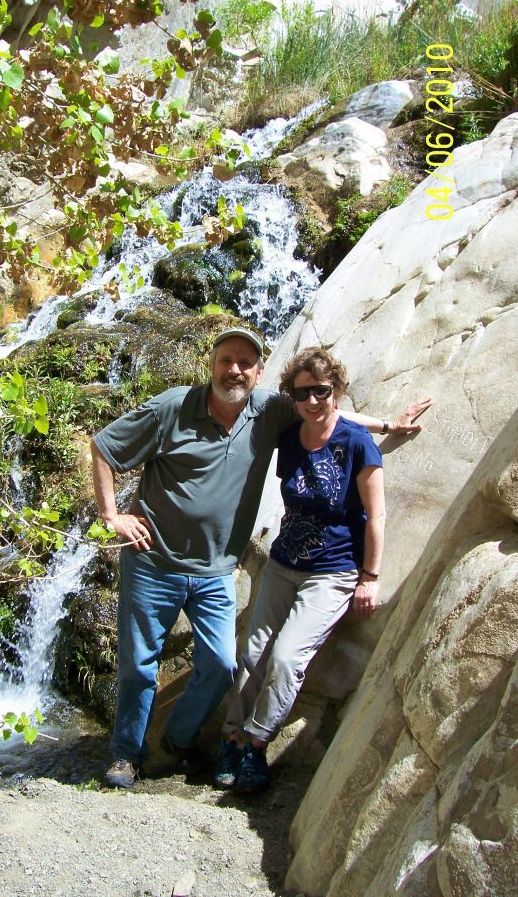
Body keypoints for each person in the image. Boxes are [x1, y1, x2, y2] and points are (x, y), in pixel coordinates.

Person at [90, 328, 430, 788]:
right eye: (227, 360)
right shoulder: (173, 406)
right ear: (212, 363)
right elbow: (105, 446)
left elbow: (325, 414)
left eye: (245, 363)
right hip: (155, 563)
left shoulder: (268, 410)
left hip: (216, 570)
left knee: (221, 666)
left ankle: (176, 742)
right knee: (138, 665)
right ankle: (126, 755)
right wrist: (111, 515)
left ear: (259, 372)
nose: (235, 369)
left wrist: (389, 425)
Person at [214, 346, 386, 793]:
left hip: (332, 572)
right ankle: (231, 737)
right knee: (251, 654)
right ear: (292, 395)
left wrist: (370, 576)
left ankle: (256, 744)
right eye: (303, 392)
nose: (313, 401)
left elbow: (377, 515)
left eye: (322, 392)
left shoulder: (355, 443)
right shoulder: (292, 433)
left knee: (287, 658)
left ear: (337, 392)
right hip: (283, 563)